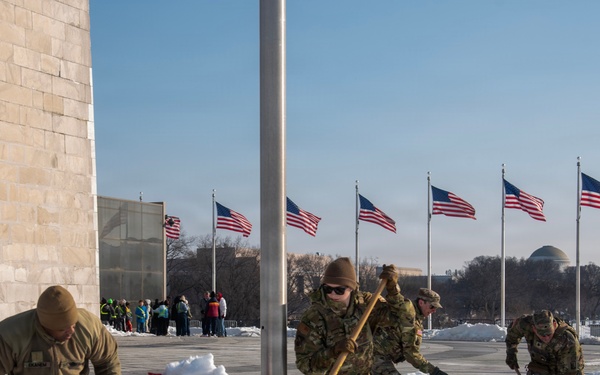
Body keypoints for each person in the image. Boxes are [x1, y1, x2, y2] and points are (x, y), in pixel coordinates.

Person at [294, 257, 402, 375]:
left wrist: (393, 291)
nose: (332, 294)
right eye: (327, 289)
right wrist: (332, 352)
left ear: (351, 288)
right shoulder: (314, 317)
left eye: (339, 290)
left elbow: (402, 318)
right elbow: (305, 364)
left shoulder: (365, 304)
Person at [0, 285, 121, 374]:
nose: (71, 331)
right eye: (62, 329)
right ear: (46, 326)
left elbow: (108, 362)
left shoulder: (88, 327)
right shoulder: (11, 335)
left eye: (73, 325)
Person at [371, 288, 448, 375]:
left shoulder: (415, 319)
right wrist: (434, 372)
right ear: (421, 303)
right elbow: (411, 354)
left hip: (379, 355)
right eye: (432, 306)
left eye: (436, 308)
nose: (434, 310)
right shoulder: (407, 314)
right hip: (374, 355)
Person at [505, 310, 584, 375]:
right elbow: (512, 335)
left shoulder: (567, 340)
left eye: (549, 334)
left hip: (565, 370)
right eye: (542, 335)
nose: (546, 338)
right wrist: (511, 353)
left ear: (554, 324)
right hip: (540, 368)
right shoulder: (525, 325)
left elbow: (570, 372)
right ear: (534, 329)